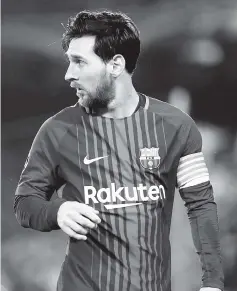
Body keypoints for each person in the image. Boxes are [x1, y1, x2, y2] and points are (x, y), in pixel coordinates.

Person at [14, 10, 224, 291]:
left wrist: (212, 281)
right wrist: (58, 211)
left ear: (115, 65)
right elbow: (25, 203)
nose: (69, 74)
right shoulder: (57, 129)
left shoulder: (175, 126)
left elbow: (200, 205)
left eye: (79, 62)